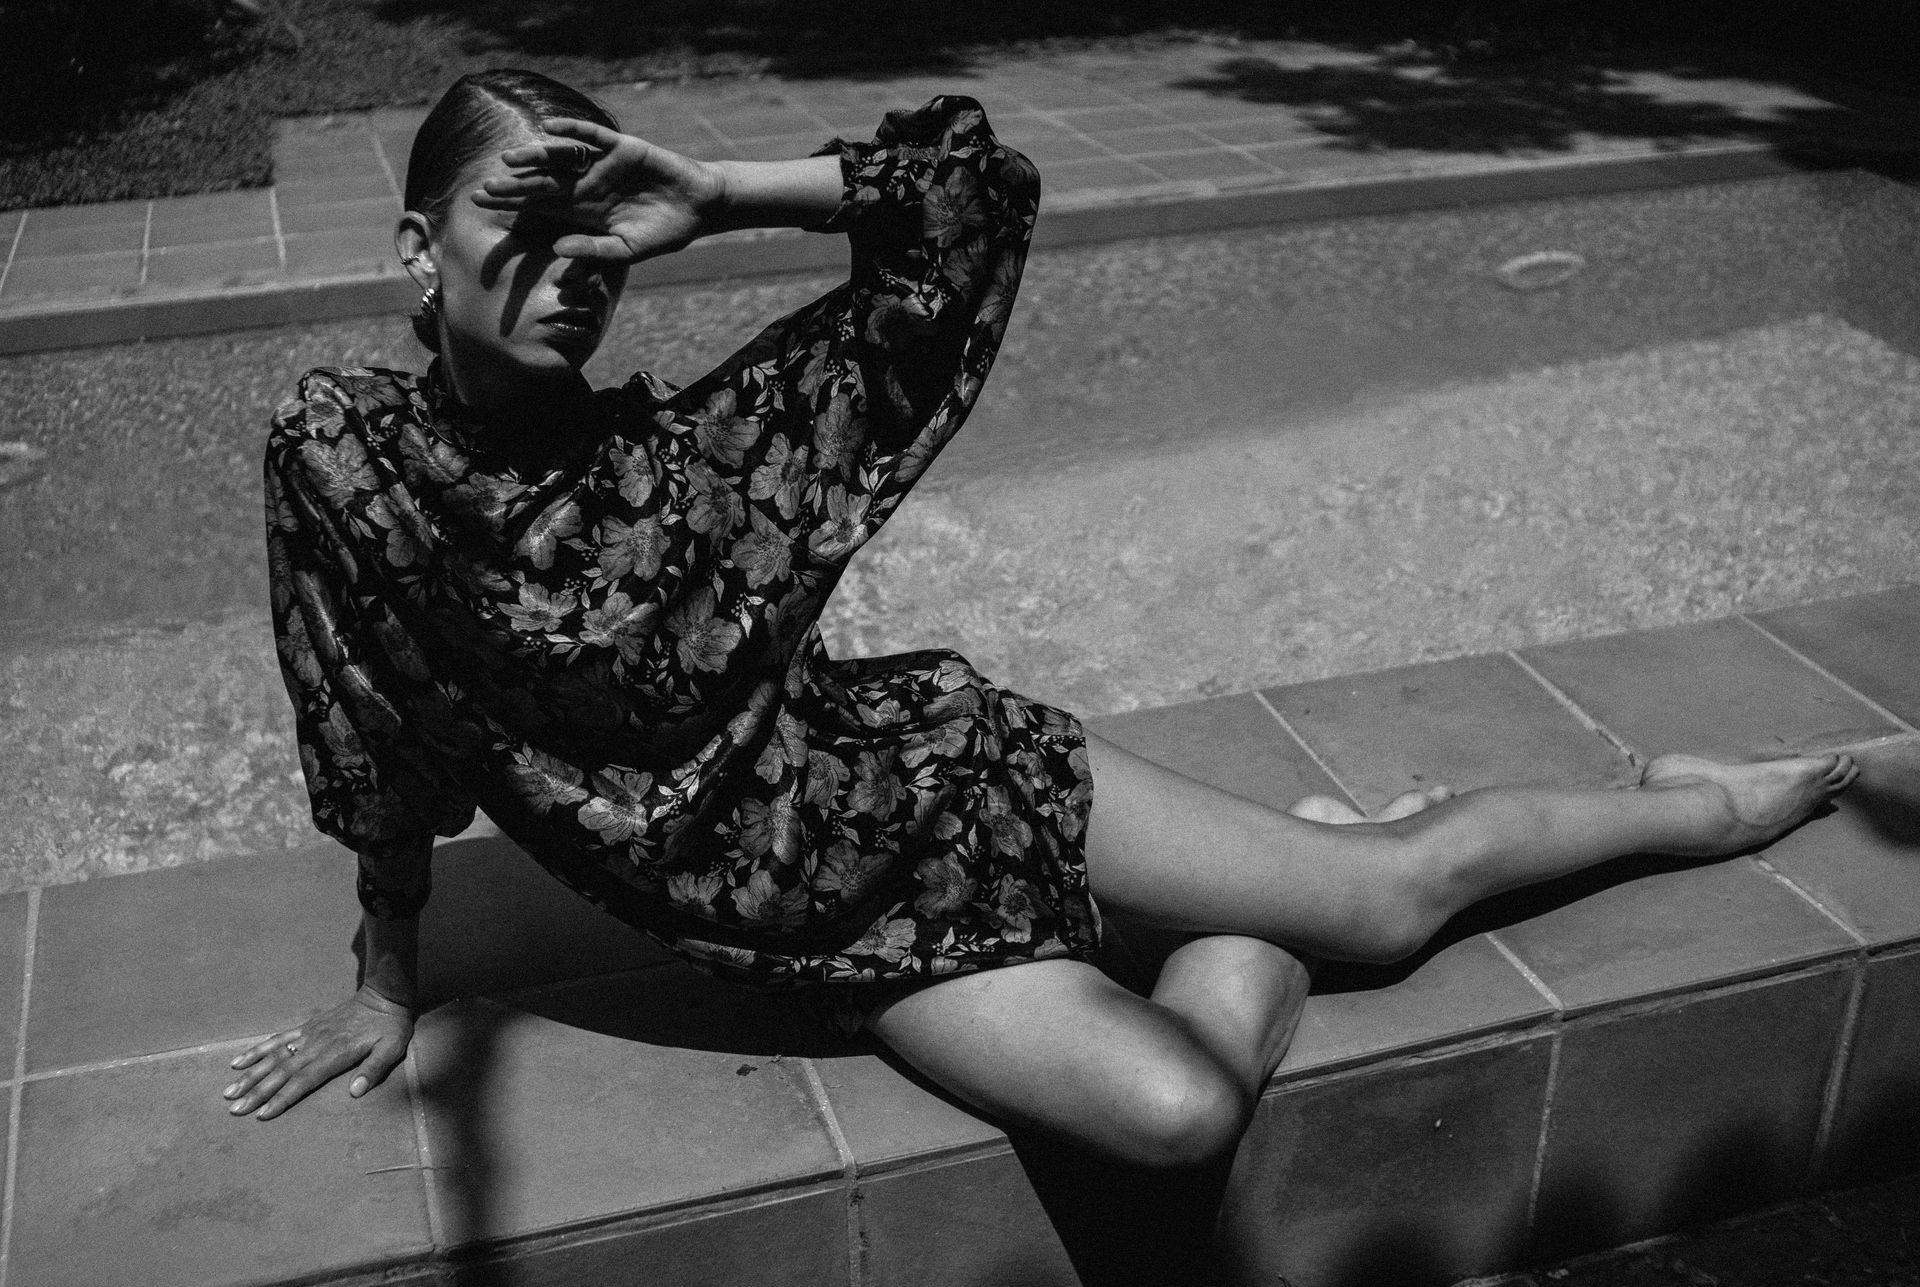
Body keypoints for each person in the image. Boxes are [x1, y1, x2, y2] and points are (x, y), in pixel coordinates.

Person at [224, 68, 1858, 1169]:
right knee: (1177, 1115)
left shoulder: (699, 463)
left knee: (1394, 901)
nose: (574, 261)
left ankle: (1701, 797)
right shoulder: (338, 458)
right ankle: (1237, 919)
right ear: (418, 250)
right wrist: (386, 973)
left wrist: (719, 190)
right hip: (820, 938)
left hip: (942, 785)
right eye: (525, 216)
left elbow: (969, 205)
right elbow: (364, 714)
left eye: (598, 228)